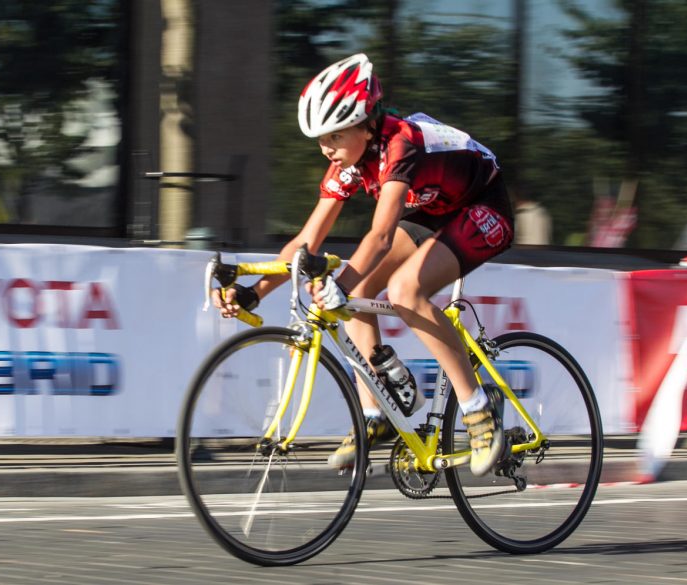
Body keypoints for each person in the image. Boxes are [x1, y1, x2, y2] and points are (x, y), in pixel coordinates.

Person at [212, 53, 514, 476]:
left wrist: (343, 282)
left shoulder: (400, 143)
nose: (325, 149)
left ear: (365, 123)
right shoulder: (351, 161)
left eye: (334, 136)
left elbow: (381, 235)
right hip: (433, 210)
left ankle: (478, 410)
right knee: (352, 294)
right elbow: (305, 241)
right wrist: (253, 292)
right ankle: (377, 414)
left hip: (483, 206)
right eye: (320, 139)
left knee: (405, 290)